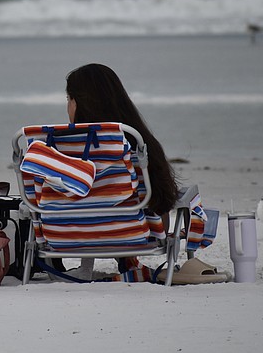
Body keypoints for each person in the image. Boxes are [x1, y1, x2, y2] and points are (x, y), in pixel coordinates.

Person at [62, 63, 180, 281]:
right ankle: (127, 259)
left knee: (85, 196)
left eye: (69, 99)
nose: (67, 106)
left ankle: (86, 266)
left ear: (78, 103)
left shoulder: (61, 150)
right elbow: (161, 200)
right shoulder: (138, 142)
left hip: (72, 235)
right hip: (134, 234)